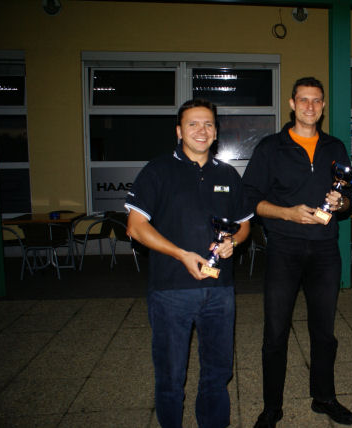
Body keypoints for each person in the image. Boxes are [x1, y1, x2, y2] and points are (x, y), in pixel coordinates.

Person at [125, 99, 252, 428]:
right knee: (170, 377)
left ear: (216, 132)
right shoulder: (158, 170)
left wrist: (233, 241)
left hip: (220, 290)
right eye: (193, 124)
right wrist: (181, 254)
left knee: (218, 373)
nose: (201, 130)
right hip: (171, 290)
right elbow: (135, 227)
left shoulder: (227, 174)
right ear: (179, 131)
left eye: (208, 124)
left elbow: (244, 225)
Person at [242, 77, 352, 428]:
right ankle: (272, 407)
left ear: (323, 106)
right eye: (303, 100)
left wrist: (341, 203)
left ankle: (324, 397)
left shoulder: (335, 147)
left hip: (325, 251)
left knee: (324, 332)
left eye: (316, 100)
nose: (310, 106)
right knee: (276, 332)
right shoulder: (271, 148)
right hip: (284, 249)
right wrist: (287, 213)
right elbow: (250, 200)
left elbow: (349, 201)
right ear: (292, 104)